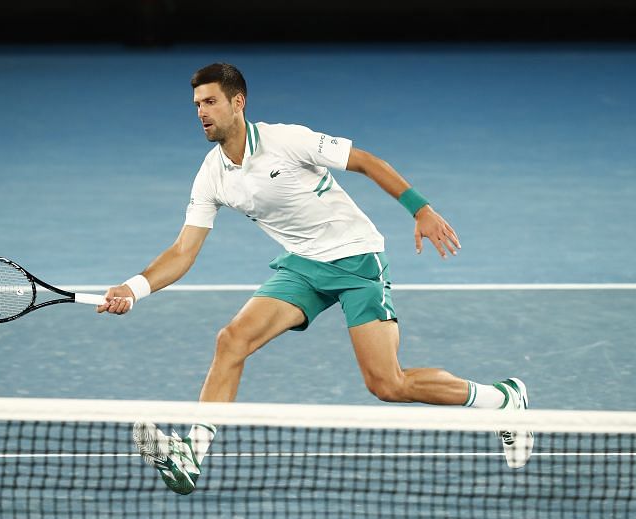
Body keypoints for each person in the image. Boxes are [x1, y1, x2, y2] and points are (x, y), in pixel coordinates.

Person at [97, 63, 533, 494]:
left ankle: (503, 400)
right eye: (196, 105)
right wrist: (134, 289)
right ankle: (193, 451)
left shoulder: (287, 140)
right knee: (232, 339)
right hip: (304, 264)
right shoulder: (211, 174)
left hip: (355, 258)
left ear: (237, 102)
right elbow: (182, 251)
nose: (201, 112)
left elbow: (364, 161)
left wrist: (420, 209)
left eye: (210, 102)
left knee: (387, 384)